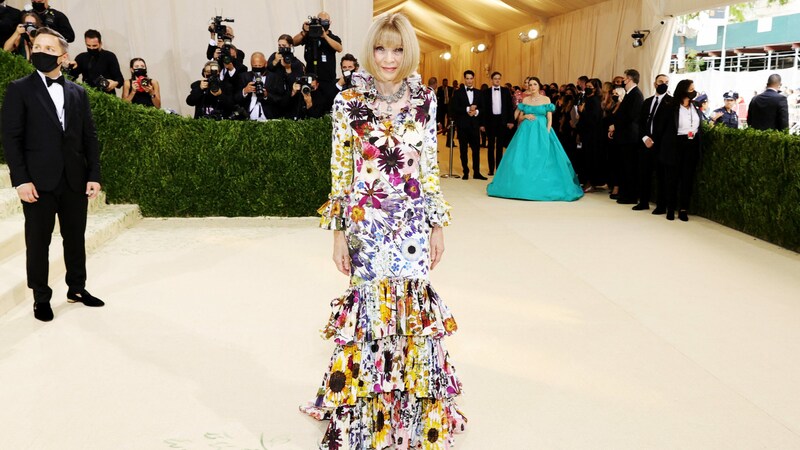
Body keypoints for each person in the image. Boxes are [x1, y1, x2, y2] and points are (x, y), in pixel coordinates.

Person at [300, 12, 466, 449]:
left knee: (412, 314)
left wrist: (437, 226)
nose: (389, 58)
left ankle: (414, 415)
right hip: (365, 223)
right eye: (380, 48)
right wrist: (338, 233)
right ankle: (366, 416)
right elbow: (341, 171)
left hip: (411, 221)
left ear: (408, 50)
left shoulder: (425, 100)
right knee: (370, 315)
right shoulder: (347, 102)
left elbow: (429, 167)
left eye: (397, 48)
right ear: (369, 51)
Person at [1, 27, 104, 322]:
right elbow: (12, 138)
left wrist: (93, 174)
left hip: (74, 179)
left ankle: (77, 288)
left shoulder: (78, 92)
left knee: (75, 238)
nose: (41, 51)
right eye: (38, 46)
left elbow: (89, 137)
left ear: (63, 56)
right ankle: (41, 297)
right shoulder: (19, 88)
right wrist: (20, 180)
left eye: (49, 48)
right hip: (37, 181)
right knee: (38, 242)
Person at [487, 77, 583, 201]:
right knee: (523, 156)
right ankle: (521, 185)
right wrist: (525, 116)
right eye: (530, 84)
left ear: (539, 86)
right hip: (525, 132)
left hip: (542, 130)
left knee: (544, 157)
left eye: (535, 84)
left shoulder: (546, 99)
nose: (532, 87)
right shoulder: (525, 100)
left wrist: (547, 132)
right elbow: (516, 117)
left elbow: (549, 118)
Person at [660, 79, 705, 222]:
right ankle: (671, 208)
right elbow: (663, 128)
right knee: (672, 178)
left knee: (687, 179)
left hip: (691, 145)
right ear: (684, 90)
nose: (694, 92)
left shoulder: (696, 106)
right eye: (691, 89)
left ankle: (683, 208)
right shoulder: (670, 107)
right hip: (675, 144)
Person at [633, 73, 671, 213]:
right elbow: (641, 121)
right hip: (645, 143)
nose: (663, 84)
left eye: (666, 82)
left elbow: (667, 126)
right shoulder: (647, 101)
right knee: (644, 174)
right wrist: (645, 138)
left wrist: (654, 140)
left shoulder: (670, 102)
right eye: (661, 81)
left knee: (661, 176)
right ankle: (643, 202)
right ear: (655, 83)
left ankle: (661, 205)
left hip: (660, 145)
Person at [608, 69, 644, 205]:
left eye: (624, 79)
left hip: (630, 136)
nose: (623, 81)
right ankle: (625, 193)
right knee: (624, 165)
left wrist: (615, 126)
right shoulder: (630, 94)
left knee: (629, 166)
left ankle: (631, 195)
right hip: (624, 135)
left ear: (630, 79)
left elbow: (630, 116)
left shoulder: (636, 94)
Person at [292, 11, 342, 95]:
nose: (323, 23)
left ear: (330, 22)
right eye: (320, 21)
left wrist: (325, 36)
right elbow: (293, 42)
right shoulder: (309, 35)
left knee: (327, 103)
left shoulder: (333, 37)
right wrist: (304, 32)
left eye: (325, 21)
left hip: (327, 79)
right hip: (311, 77)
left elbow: (339, 48)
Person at [66, 29, 124, 95]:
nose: (91, 48)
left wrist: (115, 83)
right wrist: (72, 68)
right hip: (88, 95)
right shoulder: (81, 57)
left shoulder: (109, 56)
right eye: (88, 45)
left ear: (100, 43)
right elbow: (70, 78)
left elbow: (120, 79)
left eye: (94, 46)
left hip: (107, 96)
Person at [452, 69, 486, 179]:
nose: (469, 81)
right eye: (467, 78)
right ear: (464, 79)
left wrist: (476, 112)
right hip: (462, 126)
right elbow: (454, 108)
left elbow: (483, 108)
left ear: (473, 79)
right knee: (463, 150)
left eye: (471, 78)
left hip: (474, 126)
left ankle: (477, 172)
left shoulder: (479, 93)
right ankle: (465, 172)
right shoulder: (458, 93)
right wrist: (467, 109)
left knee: (476, 150)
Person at [234, 52, 286, 121]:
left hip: (269, 118)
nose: (257, 68)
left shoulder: (275, 78)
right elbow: (235, 98)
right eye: (255, 66)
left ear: (266, 63)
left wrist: (266, 95)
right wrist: (245, 91)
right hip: (247, 118)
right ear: (251, 64)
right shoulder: (243, 77)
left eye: (259, 66)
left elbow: (281, 100)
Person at [481, 71, 514, 175]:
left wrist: (511, 121)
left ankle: (499, 168)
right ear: (491, 80)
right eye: (495, 78)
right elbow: (483, 109)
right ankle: (491, 169)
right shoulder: (486, 92)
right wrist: (482, 124)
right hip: (490, 121)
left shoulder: (505, 91)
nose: (497, 80)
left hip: (502, 121)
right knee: (490, 145)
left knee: (500, 146)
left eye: (499, 78)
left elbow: (510, 107)